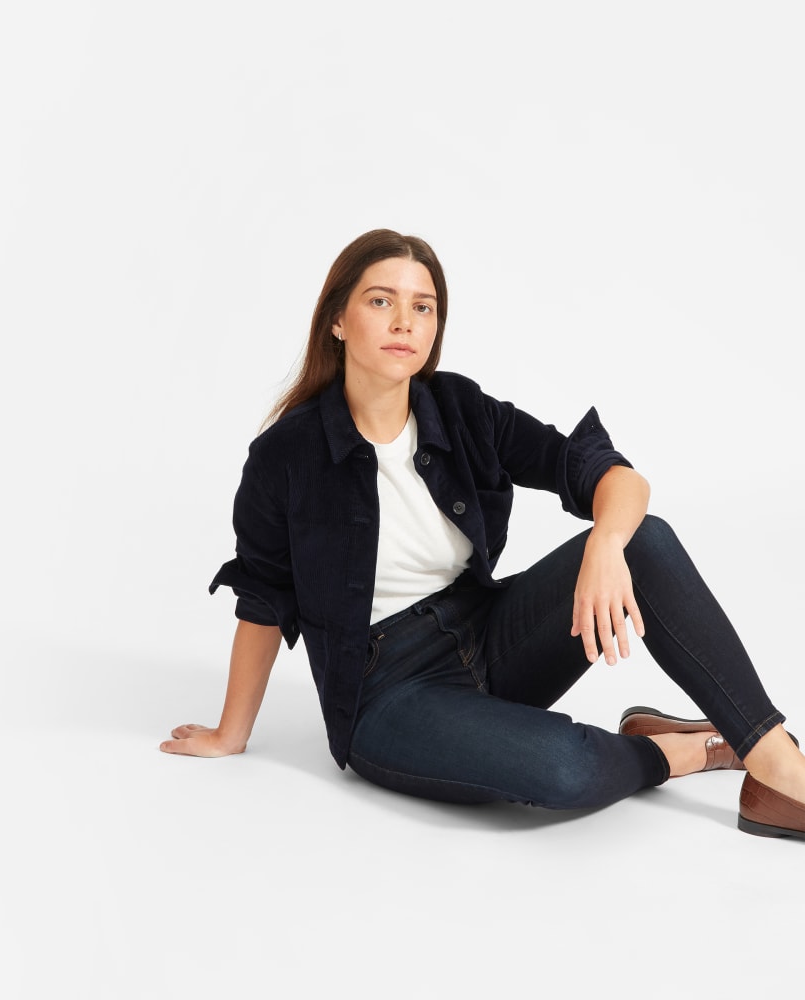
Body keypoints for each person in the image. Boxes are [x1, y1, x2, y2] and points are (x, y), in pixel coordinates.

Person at [160, 228, 805, 839]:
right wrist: (230, 733)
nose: (404, 322)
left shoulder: (459, 410)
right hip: (387, 690)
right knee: (564, 769)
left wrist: (606, 545)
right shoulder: (286, 454)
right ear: (337, 321)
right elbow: (265, 596)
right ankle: (687, 751)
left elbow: (609, 475)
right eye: (381, 301)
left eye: (423, 306)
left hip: (488, 634)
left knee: (644, 539)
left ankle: (776, 766)